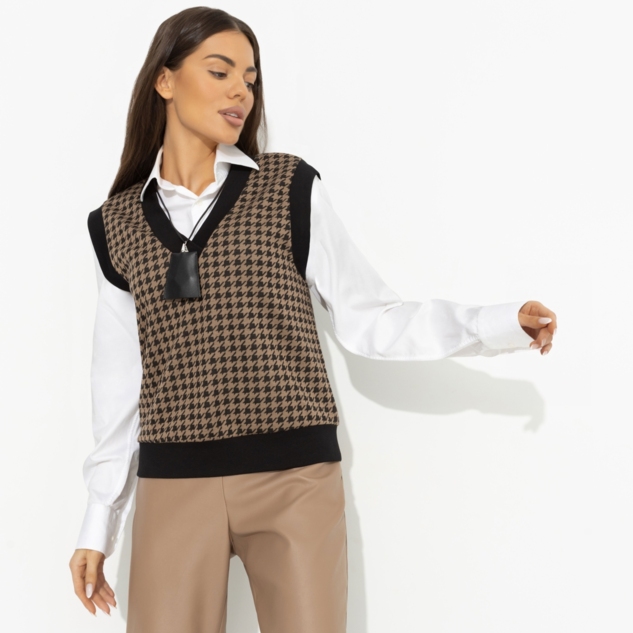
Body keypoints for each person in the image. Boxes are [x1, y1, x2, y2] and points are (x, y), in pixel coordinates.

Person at [68, 7, 557, 633]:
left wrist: (497, 324)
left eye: (250, 78)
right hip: (174, 486)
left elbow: (372, 318)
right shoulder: (115, 226)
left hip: (293, 481)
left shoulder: (288, 187)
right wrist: (97, 524)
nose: (240, 91)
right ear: (165, 80)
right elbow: (118, 389)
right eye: (220, 72)